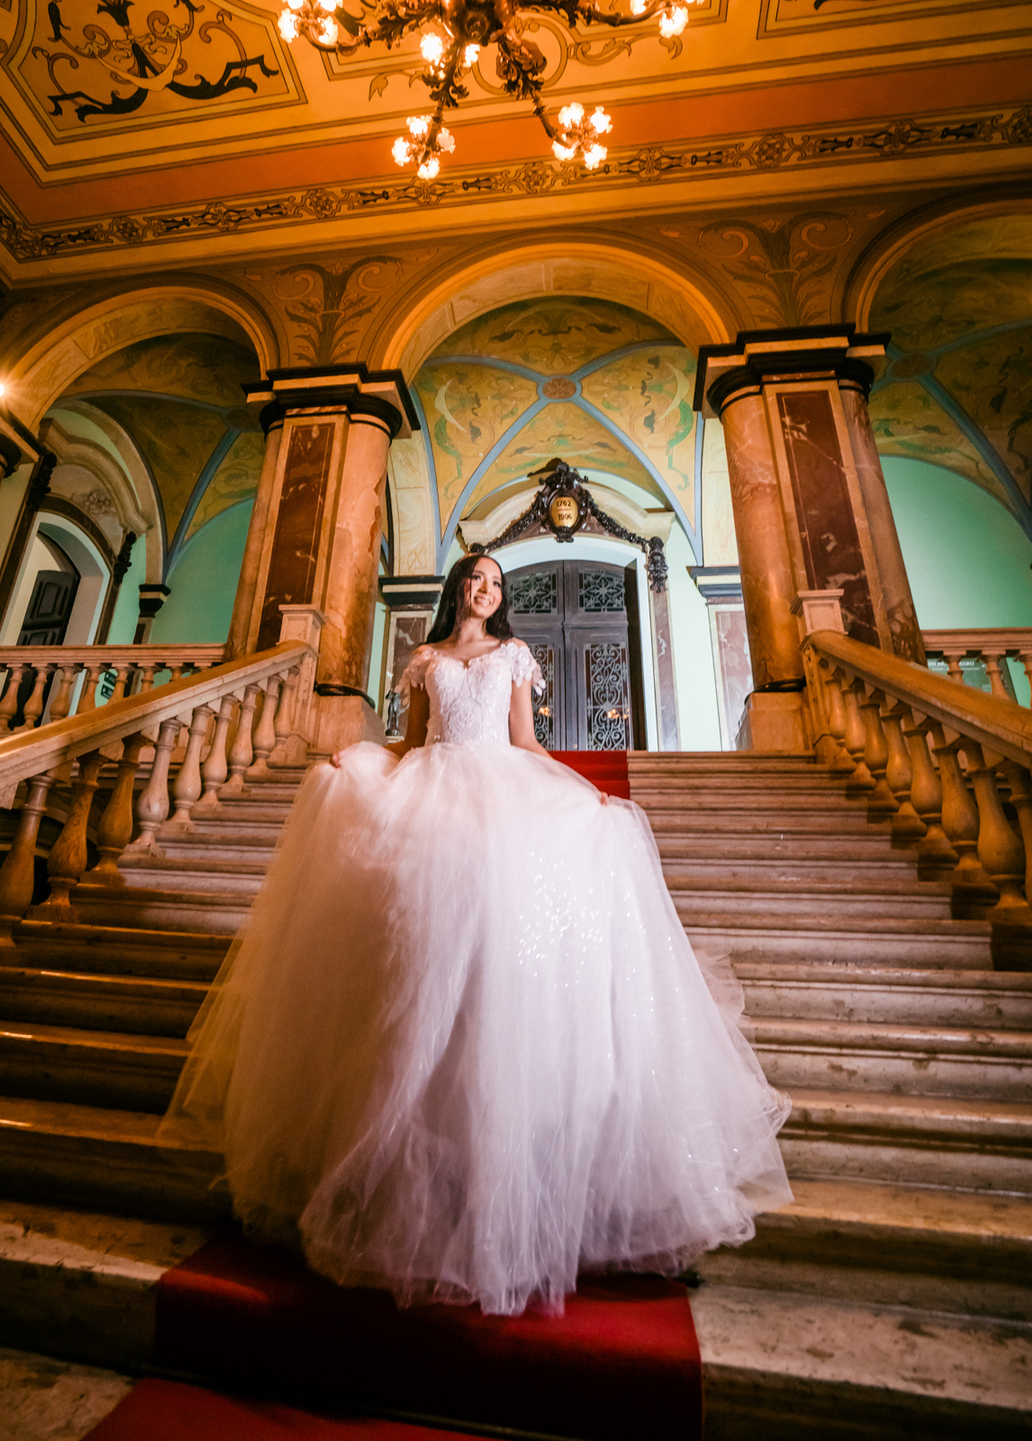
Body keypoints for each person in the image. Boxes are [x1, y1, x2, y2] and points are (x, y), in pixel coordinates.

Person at [160, 552, 791, 1317]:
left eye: (496, 583)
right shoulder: (424, 658)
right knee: (416, 944)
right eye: (477, 578)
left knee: (493, 937)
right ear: (458, 586)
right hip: (429, 792)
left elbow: (524, 740)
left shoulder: (513, 655)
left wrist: (581, 791)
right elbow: (411, 742)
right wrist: (357, 760)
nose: (486, 589)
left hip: (500, 792)